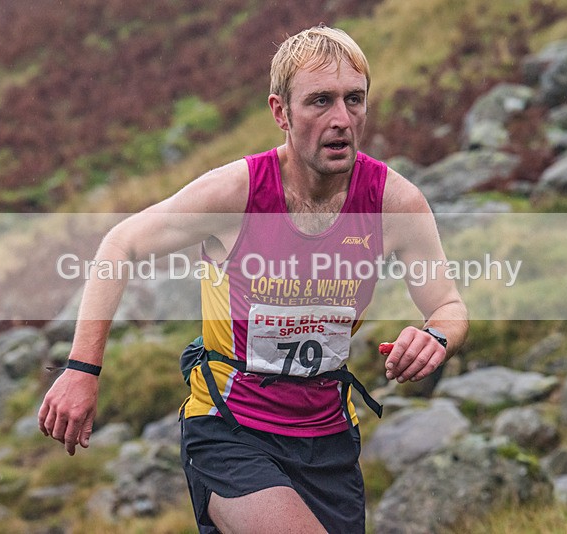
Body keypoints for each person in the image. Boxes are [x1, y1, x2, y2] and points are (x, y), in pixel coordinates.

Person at [39, 25, 468, 533]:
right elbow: (121, 244)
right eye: (320, 101)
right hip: (230, 428)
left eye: (354, 99)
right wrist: (82, 370)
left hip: (328, 438)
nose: (341, 119)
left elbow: (448, 306)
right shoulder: (237, 194)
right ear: (280, 113)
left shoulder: (393, 204)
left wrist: (435, 337)